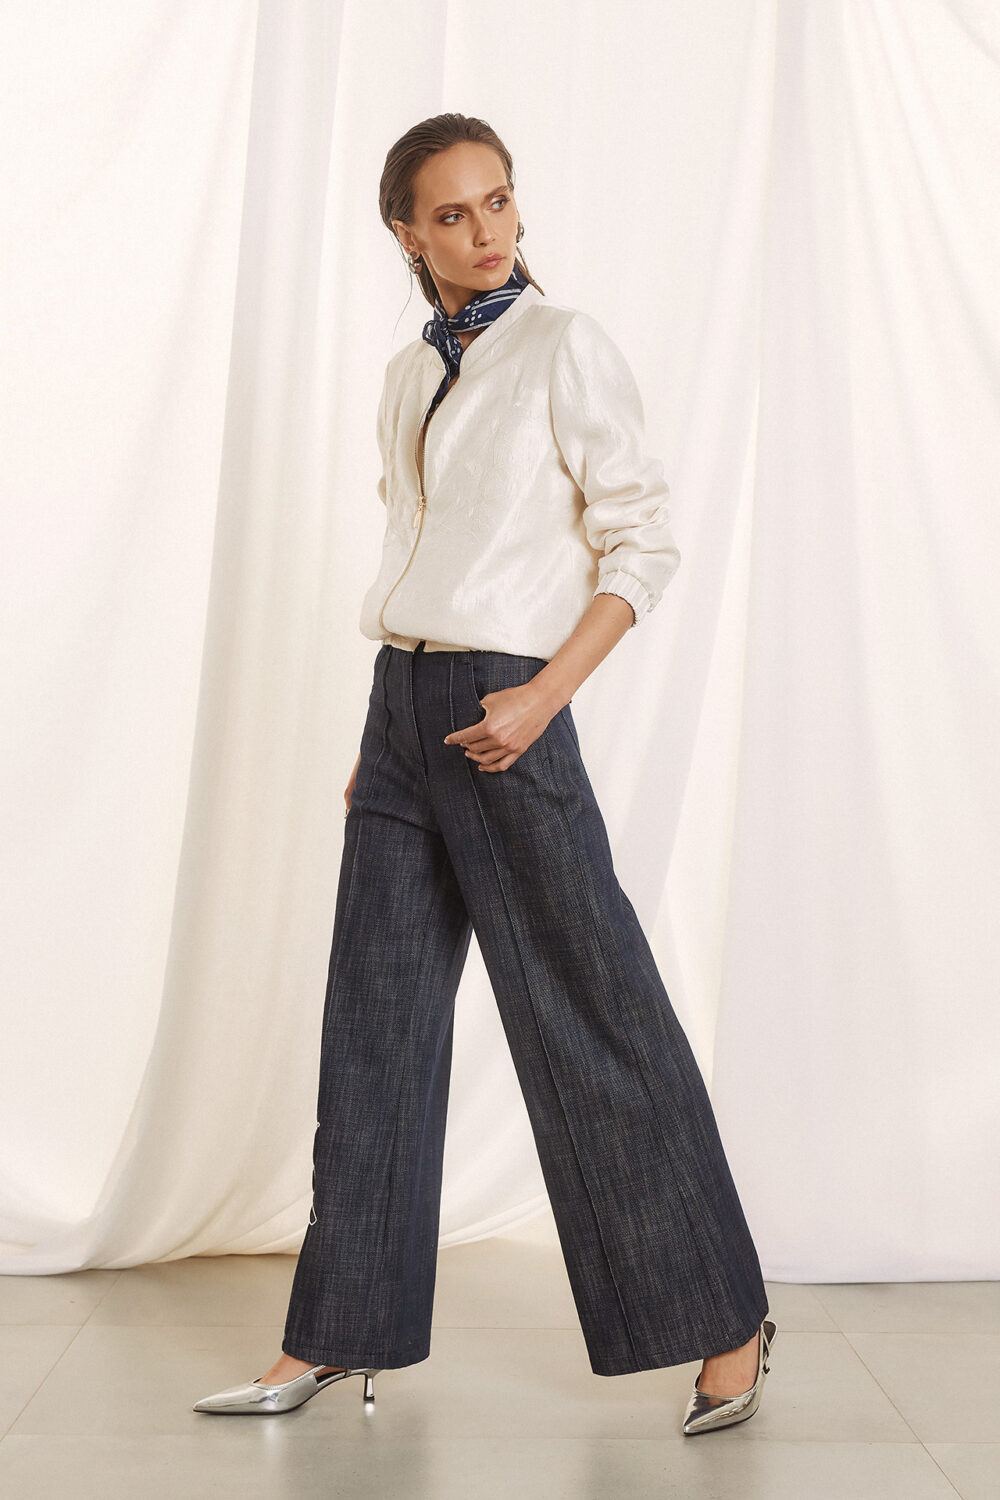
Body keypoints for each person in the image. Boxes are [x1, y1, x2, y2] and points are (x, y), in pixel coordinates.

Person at [193, 113, 776, 1436]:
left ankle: (725, 1321)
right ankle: (333, 1335)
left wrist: (544, 695)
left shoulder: (564, 346)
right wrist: (380, 738)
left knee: (589, 1011)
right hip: (404, 709)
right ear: (406, 232)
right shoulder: (410, 373)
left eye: (498, 202)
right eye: (452, 214)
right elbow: (417, 551)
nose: (485, 230)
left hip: (509, 703)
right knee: (375, 1024)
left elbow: (640, 541)